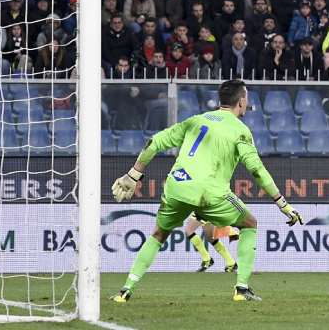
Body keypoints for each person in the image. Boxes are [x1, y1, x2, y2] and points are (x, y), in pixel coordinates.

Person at [111, 79, 303, 303]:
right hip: (210, 193)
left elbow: (154, 142)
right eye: (247, 98)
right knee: (250, 223)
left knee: (158, 234)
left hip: (177, 187)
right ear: (241, 102)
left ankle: (126, 290)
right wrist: (282, 204)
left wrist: (133, 175)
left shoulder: (196, 120)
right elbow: (256, 169)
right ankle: (241, 288)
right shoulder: (240, 130)